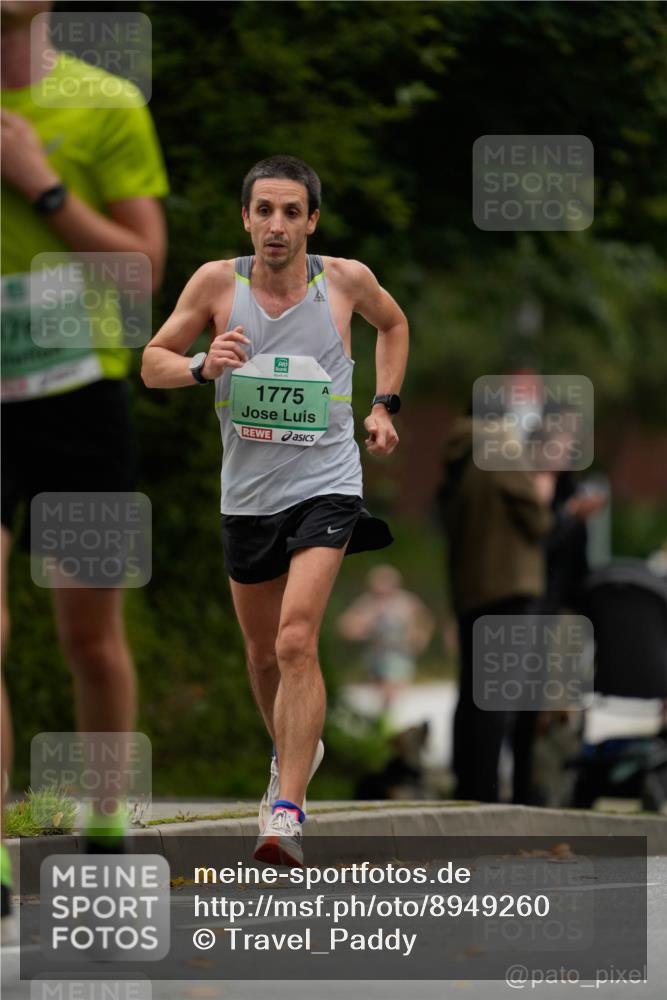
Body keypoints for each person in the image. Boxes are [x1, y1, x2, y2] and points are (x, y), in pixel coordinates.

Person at [141, 155, 409, 865]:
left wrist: (383, 404)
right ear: (246, 219)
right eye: (264, 210)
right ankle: (297, 750)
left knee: (295, 640)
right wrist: (202, 365)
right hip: (247, 497)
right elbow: (152, 361)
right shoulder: (214, 285)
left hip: (326, 483)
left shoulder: (343, 280)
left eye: (292, 211)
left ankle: (285, 810)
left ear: (311, 222)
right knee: (262, 655)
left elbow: (394, 325)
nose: (277, 224)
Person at [1, 0, 168, 916]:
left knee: (88, 638)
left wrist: (42, 185)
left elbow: (144, 268)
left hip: (77, 396)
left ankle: (107, 812)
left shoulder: (102, 101)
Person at [437, 413, 554, 803]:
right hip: (509, 585)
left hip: (471, 587)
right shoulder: (500, 449)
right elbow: (536, 521)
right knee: (499, 693)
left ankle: (468, 785)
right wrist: (544, 492)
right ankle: (487, 792)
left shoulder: (458, 455)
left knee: (471, 690)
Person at [337, 564, 435, 715]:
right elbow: (346, 625)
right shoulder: (367, 603)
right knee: (378, 690)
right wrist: (361, 627)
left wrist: (420, 637)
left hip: (399, 652)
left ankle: (387, 718)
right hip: (376, 653)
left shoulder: (406, 601)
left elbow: (425, 620)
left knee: (391, 687)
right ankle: (384, 720)